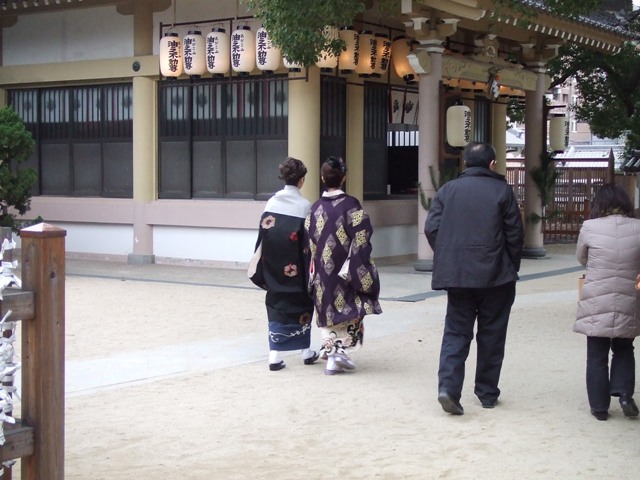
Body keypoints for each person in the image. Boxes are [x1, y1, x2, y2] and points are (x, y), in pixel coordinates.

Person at [425, 141, 524, 415]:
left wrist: (449, 254)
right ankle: (487, 393)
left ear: (465, 164)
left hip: (458, 275)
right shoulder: (502, 191)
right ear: (492, 164)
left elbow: (432, 228)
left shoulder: (448, 190)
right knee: (492, 334)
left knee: (456, 332)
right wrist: (509, 265)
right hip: (496, 276)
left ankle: (448, 388)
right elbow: (514, 235)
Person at [305, 156, 382, 375]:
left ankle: (335, 352)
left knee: (327, 311)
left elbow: (309, 242)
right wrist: (362, 267)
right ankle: (336, 354)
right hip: (345, 269)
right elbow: (362, 239)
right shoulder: (352, 206)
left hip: (321, 270)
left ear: (322, 178)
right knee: (353, 305)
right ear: (344, 178)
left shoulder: (314, 209)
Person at [575, 183, 640, 421]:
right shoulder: (638, 228)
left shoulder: (590, 227)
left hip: (597, 297)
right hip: (629, 294)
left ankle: (600, 408)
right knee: (624, 347)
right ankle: (623, 393)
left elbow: (581, 257)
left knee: (596, 353)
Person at [250, 157, 318, 371]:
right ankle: (305, 351)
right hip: (296, 272)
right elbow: (309, 243)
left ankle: (274, 355)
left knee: (275, 306)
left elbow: (263, 236)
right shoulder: (305, 206)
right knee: (302, 306)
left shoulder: (271, 204)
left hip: (273, 268)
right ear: (302, 181)